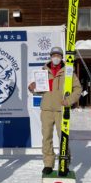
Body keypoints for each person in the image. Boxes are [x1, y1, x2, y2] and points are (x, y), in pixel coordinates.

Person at [28, 47, 82, 175]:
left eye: (58, 55)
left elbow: (78, 89)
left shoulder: (68, 71)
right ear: (51, 56)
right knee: (46, 137)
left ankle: (64, 162)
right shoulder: (44, 71)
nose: (56, 57)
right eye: (54, 55)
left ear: (62, 57)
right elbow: (41, 90)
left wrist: (69, 101)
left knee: (63, 137)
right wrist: (33, 88)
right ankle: (48, 163)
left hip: (61, 109)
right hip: (46, 109)